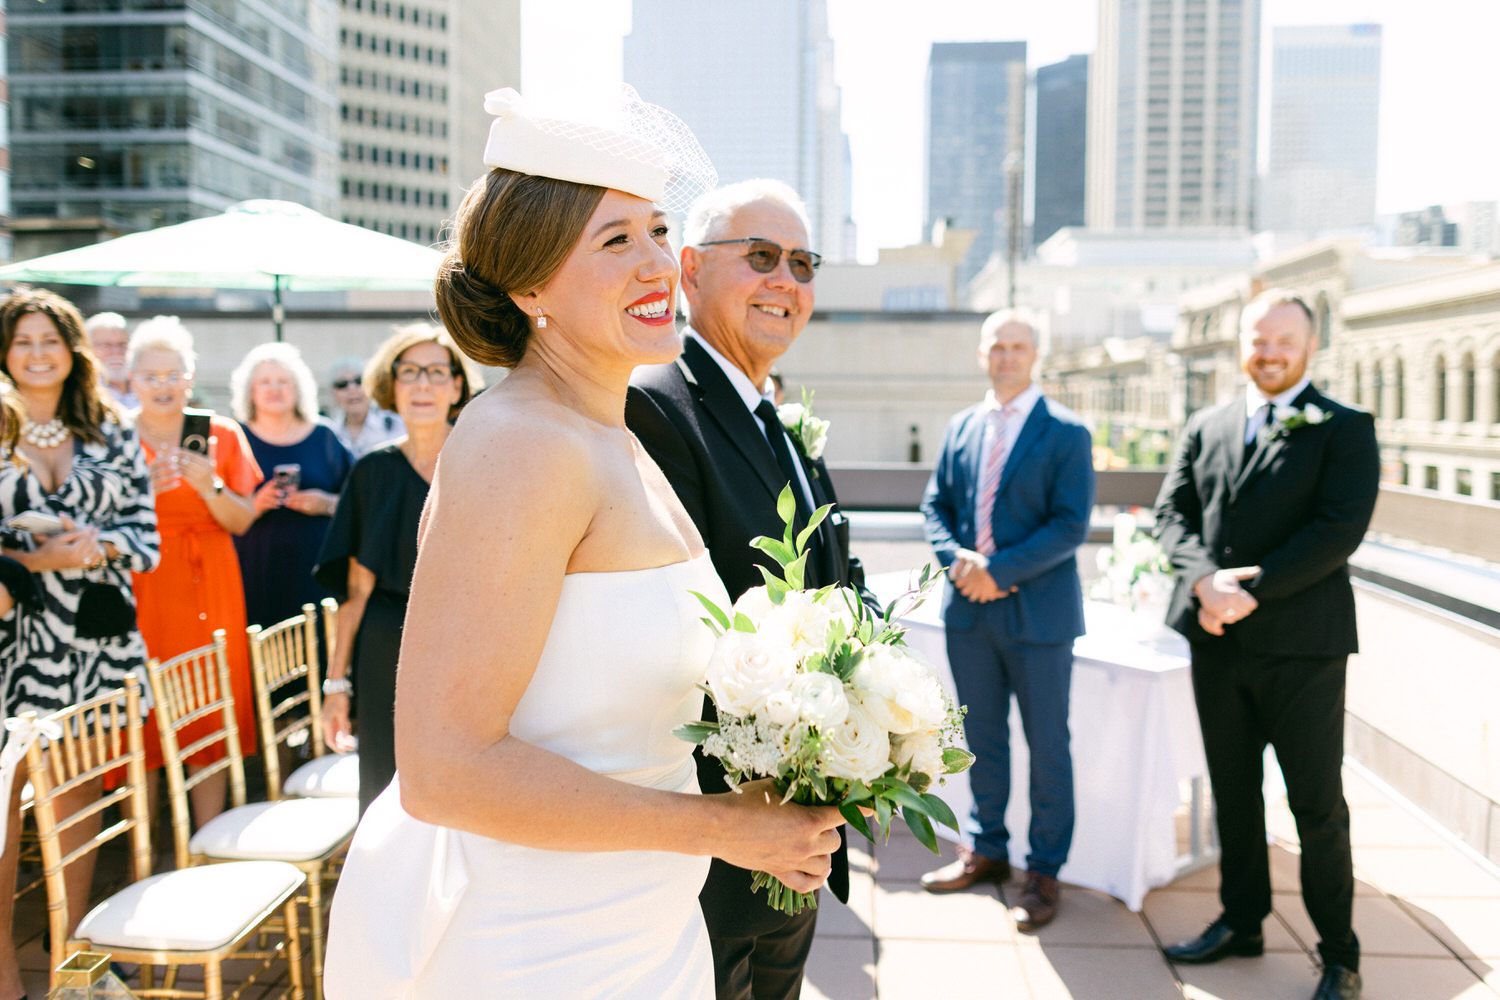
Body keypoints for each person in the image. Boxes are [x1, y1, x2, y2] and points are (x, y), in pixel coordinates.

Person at [322, 86, 844, 998]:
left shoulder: (615, 436)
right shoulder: (520, 445)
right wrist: (723, 827)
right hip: (540, 944)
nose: (654, 265)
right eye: (614, 241)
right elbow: (443, 771)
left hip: (643, 921)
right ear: (530, 287)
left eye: (653, 231)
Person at [626, 178, 874, 1000]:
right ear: (689, 271)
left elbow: (836, 574)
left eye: (803, 264)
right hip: (720, 837)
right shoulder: (658, 405)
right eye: (761, 257)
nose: (786, 281)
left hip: (796, 821)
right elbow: (675, 632)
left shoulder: (781, 418)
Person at [1153, 290, 1379, 1000]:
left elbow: (1339, 527)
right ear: (1240, 346)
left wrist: (1252, 589)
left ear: (1311, 347)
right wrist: (1202, 582)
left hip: (1303, 650)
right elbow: (1171, 511)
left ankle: (1340, 953)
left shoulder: (1345, 428)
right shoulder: (1207, 424)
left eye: (1284, 339)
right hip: (1216, 644)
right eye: (1258, 339)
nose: (1269, 351)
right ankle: (1242, 920)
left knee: (1317, 804)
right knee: (1234, 794)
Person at [0, 289, 159, 1000]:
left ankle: (71, 969)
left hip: (97, 646)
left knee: (79, 814)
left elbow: (146, 541)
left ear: (73, 351)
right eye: (22, 340)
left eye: (50, 339)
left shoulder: (112, 430)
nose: (38, 353)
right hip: (14, 645)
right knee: (5, 820)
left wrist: (96, 549)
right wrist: (33, 562)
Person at [917, 309, 1095, 931]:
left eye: (1019, 346)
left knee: (1048, 746)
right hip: (968, 616)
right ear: (983, 354)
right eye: (997, 346)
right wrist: (959, 562)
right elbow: (934, 505)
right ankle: (986, 849)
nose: (1007, 355)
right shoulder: (962, 426)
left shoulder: (1067, 433)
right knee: (981, 741)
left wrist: (999, 568)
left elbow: (1071, 524)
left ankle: (1043, 872)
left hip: (1039, 618)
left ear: (1035, 355)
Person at [315, 324, 481, 814]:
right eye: (409, 373)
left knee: (468, 788)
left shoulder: (486, 459)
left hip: (472, 645)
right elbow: (355, 591)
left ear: (456, 386)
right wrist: (336, 683)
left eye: (435, 372)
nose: (423, 384)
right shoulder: (371, 472)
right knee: (388, 795)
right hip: (386, 650)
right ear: (391, 387)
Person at [127, 316, 263, 827]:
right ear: (132, 378)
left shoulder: (219, 433)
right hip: (144, 583)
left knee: (210, 699)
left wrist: (211, 489)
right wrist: (139, 491)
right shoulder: (116, 435)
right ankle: (145, 848)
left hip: (212, 581)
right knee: (142, 710)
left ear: (190, 376)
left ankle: (206, 836)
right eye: (151, 375)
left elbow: (244, 520)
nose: (163, 386)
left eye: (173, 374)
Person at [230, 342, 353, 629]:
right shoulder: (234, 437)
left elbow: (359, 506)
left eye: (283, 381)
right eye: (265, 382)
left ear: (298, 388)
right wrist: (255, 505)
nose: (275, 388)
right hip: (253, 572)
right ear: (250, 390)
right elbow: (217, 507)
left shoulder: (325, 437)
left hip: (316, 573)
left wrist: (325, 504)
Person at [329, 356, 405, 458]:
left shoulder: (397, 425)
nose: (352, 389)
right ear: (333, 393)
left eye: (359, 381)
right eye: (342, 384)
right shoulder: (329, 433)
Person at [84, 311, 138, 410]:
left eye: (122, 344)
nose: (116, 352)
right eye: (106, 345)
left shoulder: (145, 385)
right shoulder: (84, 392)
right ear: (89, 349)